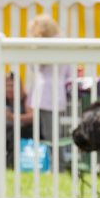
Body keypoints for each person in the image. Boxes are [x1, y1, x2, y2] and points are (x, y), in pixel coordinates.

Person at [28, 14, 75, 168]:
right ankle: (57, 165)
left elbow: (34, 66)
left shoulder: (45, 46)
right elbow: (69, 72)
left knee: (50, 134)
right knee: (55, 132)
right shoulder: (64, 44)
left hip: (45, 93)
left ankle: (58, 166)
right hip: (58, 91)